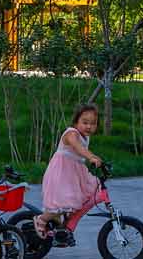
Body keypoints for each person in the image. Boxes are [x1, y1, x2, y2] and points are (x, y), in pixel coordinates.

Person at [35, 103, 104, 241]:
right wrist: (91, 157)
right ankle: (41, 219)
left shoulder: (85, 137)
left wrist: (97, 159)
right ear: (76, 122)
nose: (89, 126)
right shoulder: (71, 133)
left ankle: (61, 224)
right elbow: (78, 148)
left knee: (89, 193)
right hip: (61, 173)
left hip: (74, 174)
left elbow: (85, 151)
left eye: (93, 123)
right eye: (85, 122)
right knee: (64, 202)